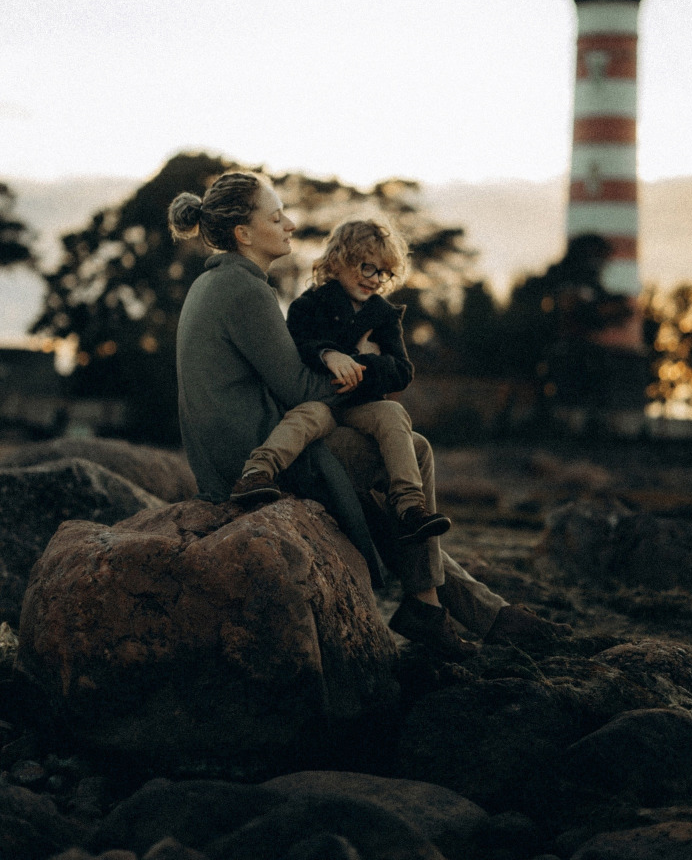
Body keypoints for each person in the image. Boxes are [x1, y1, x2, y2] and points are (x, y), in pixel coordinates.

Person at [169, 171, 568, 661]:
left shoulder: (214, 282)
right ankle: (439, 609)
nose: (291, 224)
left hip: (230, 451)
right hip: (257, 457)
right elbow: (298, 387)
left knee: (396, 503)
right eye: (276, 217)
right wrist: (359, 364)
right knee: (412, 453)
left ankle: (480, 613)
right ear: (243, 234)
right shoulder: (246, 291)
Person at [230, 219, 452, 546]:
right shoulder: (309, 305)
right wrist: (330, 355)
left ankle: (408, 505)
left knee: (393, 413)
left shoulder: (385, 315)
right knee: (306, 417)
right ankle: (257, 474)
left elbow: (402, 371)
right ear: (340, 260)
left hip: (364, 405)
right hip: (322, 399)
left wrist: (362, 363)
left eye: (384, 273)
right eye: (368, 268)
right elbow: (298, 348)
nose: (376, 280)